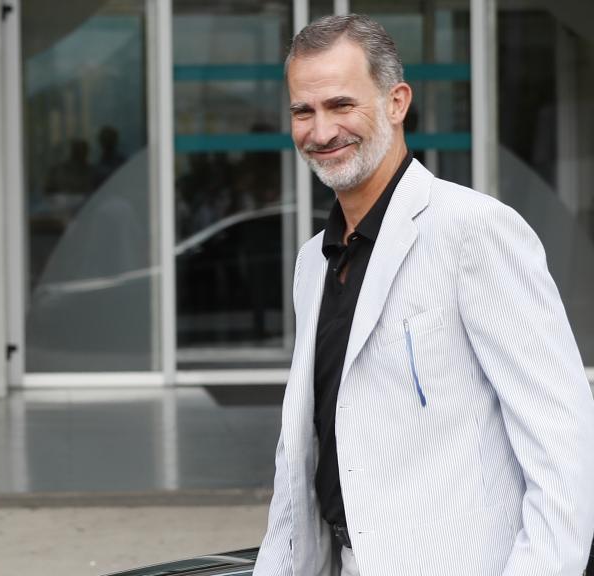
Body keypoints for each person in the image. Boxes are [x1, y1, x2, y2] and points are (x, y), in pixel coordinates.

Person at [253, 14, 594, 576]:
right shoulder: (313, 261)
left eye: (341, 105)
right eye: (303, 111)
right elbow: (302, 455)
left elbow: (563, 447)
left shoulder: (475, 231)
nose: (320, 131)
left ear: (396, 101)